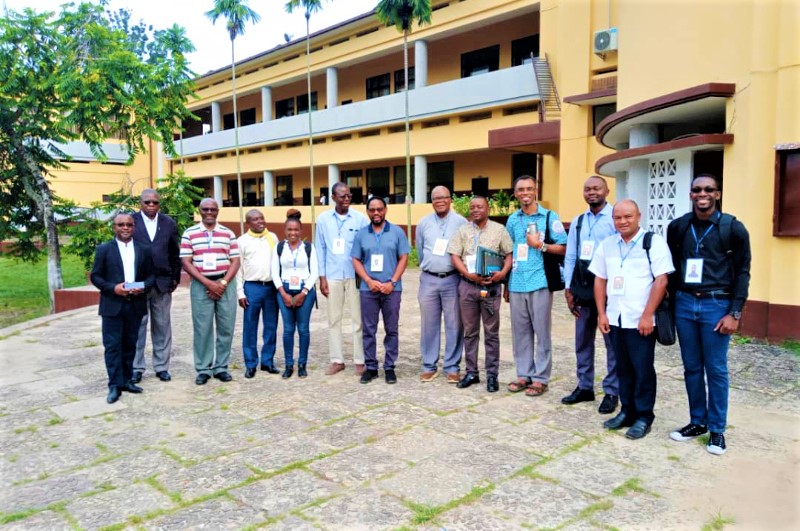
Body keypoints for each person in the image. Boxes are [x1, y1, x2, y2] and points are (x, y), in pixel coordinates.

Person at [667, 174, 751, 456]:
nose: (702, 194)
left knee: (715, 369)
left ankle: (717, 430)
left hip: (717, 304)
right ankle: (697, 422)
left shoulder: (733, 228)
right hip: (685, 303)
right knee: (691, 367)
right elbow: (672, 268)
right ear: (690, 194)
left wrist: (734, 312)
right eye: (697, 189)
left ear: (717, 194)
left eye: (708, 189)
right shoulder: (678, 227)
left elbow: (742, 272)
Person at [589, 199, 674, 440]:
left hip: (641, 321)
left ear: (639, 216)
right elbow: (600, 279)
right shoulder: (608, 245)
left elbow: (661, 280)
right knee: (622, 368)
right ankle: (626, 411)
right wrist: (602, 313)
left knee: (642, 369)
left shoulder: (653, 243)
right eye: (618, 217)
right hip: (615, 318)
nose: (623, 221)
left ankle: (644, 416)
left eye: (628, 216)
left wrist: (648, 315)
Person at [505, 175, 567, 397]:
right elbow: (509, 251)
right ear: (515, 193)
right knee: (520, 333)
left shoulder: (550, 217)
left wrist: (540, 245)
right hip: (517, 282)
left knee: (542, 332)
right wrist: (506, 283)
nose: (525, 193)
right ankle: (524, 374)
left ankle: (541, 378)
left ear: (535, 191)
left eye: (529, 189)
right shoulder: (512, 220)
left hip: (540, 282)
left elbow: (564, 247)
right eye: (520, 189)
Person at [562, 176, 619, 413]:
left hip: (609, 290)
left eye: (596, 188)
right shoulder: (578, 221)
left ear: (607, 190)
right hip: (583, 288)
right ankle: (585, 386)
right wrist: (568, 287)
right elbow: (572, 255)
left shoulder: (616, 218)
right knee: (582, 340)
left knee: (612, 343)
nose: (592, 192)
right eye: (587, 189)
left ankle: (612, 391)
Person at [448, 196, 513, 393]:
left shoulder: (499, 230)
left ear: (488, 209)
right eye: (472, 207)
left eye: (480, 207)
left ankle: (492, 375)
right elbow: (454, 255)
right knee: (470, 332)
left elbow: (509, 253)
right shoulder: (462, 230)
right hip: (468, 286)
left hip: (490, 287)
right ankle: (471, 372)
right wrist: (467, 273)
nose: (476, 210)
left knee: (491, 333)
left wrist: (502, 273)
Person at [90, 213, 154, 404]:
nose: (125, 228)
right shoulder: (104, 249)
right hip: (112, 305)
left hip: (135, 304)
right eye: (121, 225)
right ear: (114, 227)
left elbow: (151, 276)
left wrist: (141, 287)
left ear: (134, 227)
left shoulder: (144, 249)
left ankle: (127, 380)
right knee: (112, 347)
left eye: (129, 225)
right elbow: (96, 276)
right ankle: (114, 384)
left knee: (130, 344)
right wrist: (113, 288)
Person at [180, 198, 240, 385]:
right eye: (205, 209)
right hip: (200, 285)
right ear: (199, 210)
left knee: (226, 327)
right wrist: (208, 283)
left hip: (225, 283)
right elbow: (186, 262)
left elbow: (235, 261)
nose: (209, 212)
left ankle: (221, 367)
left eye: (213, 209)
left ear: (218, 211)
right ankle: (204, 368)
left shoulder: (227, 233)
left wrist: (221, 283)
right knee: (202, 328)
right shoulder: (189, 233)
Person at [351, 196, 410, 384]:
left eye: (379, 209)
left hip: (391, 289)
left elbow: (404, 257)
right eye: (372, 210)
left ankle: (390, 367)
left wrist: (392, 282)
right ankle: (371, 367)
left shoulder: (397, 232)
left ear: (385, 210)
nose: (376, 213)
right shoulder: (361, 234)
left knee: (391, 329)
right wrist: (367, 280)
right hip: (369, 290)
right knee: (369, 329)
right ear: (367, 212)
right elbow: (355, 259)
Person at [315, 183, 369, 376]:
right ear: (333, 197)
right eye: (342, 196)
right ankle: (337, 360)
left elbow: (366, 246)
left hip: (354, 275)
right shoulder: (323, 220)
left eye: (348, 196)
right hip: (332, 275)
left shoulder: (360, 219)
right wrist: (322, 278)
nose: (346, 199)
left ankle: (359, 360)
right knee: (334, 319)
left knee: (358, 319)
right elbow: (320, 249)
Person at [415, 186, 467, 383]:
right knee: (429, 324)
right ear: (431, 201)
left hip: (453, 279)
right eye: (436, 198)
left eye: (444, 197)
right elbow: (420, 250)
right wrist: (428, 266)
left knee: (454, 323)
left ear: (450, 199)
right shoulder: (423, 223)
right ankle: (429, 365)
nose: (440, 201)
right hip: (428, 279)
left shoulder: (461, 223)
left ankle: (452, 366)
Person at [131, 189, 181, 384]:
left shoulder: (168, 223)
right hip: (138, 283)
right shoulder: (131, 221)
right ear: (140, 203)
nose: (151, 205)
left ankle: (161, 367)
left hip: (162, 283)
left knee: (162, 325)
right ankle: (136, 368)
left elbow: (174, 253)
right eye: (147, 202)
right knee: (138, 327)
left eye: (155, 202)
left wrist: (174, 278)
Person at [272, 209, 319, 379]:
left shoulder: (308, 247)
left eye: (296, 230)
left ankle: (302, 364)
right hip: (284, 290)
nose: (293, 233)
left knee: (304, 329)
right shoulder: (278, 248)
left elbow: (314, 272)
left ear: (301, 231)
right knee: (287, 330)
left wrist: (303, 293)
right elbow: (274, 272)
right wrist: (283, 293)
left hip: (305, 291)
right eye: (289, 230)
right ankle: (289, 364)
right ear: (285, 231)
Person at [235, 209, 280, 378]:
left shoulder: (272, 237)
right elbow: (238, 269)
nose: (260, 222)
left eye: (261, 218)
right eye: (255, 219)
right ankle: (251, 363)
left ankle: (267, 361)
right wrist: (240, 293)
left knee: (271, 325)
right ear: (248, 223)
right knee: (250, 326)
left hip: (270, 287)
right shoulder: (242, 241)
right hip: (251, 288)